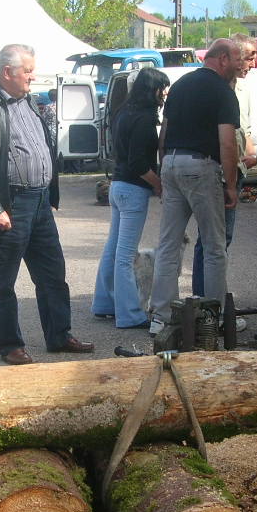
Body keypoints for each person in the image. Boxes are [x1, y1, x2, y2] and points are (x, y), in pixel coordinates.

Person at [0, 43, 93, 364]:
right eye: (27, 70)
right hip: (10, 203)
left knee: (53, 273)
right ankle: (10, 345)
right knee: (5, 281)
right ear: (6, 73)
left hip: (39, 201)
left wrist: (51, 192)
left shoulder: (29, 102)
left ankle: (59, 335)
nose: (32, 75)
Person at [148, 38, 242, 336]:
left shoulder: (181, 85)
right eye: (237, 60)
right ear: (223, 59)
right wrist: (231, 185)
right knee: (214, 247)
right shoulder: (222, 92)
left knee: (168, 245)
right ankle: (213, 319)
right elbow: (227, 143)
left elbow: (165, 133)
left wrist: (164, 169)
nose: (240, 67)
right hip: (201, 166)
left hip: (172, 163)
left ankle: (160, 317)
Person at [91, 67, 168, 328]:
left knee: (113, 250)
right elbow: (139, 163)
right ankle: (129, 315)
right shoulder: (145, 119)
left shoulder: (122, 112)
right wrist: (160, 186)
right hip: (133, 190)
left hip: (117, 186)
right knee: (125, 256)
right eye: (162, 89)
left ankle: (103, 303)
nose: (163, 94)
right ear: (153, 90)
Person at [192, 33, 257, 313]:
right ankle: (204, 301)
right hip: (215, 169)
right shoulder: (215, 87)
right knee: (211, 239)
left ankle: (211, 294)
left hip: (237, 167)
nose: (252, 63)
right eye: (248, 57)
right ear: (229, 58)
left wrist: (249, 154)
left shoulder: (244, 90)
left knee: (223, 238)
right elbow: (222, 135)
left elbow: (245, 130)